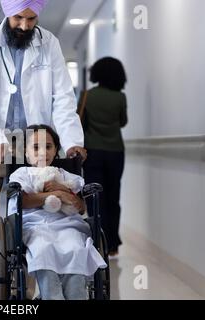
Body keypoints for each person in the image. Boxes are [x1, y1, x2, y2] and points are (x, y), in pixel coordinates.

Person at [0, 0, 87, 299]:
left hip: (35, 146)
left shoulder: (49, 44)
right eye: (19, 17)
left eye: (31, 19)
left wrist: (71, 141)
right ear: (7, 12)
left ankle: (24, 292)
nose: (24, 25)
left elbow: (63, 98)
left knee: (31, 217)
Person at [9, 125, 107, 300]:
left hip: (67, 225)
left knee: (76, 249)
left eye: (48, 147)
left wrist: (64, 191)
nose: (42, 153)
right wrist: (55, 194)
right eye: (36, 147)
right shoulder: (21, 174)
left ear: (55, 151)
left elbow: (80, 207)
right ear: (26, 152)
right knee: (43, 249)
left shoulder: (65, 175)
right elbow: (23, 201)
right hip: (35, 226)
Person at [81, 57, 128, 258]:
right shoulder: (120, 97)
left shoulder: (87, 96)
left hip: (92, 152)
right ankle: (113, 244)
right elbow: (123, 122)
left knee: (94, 196)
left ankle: (99, 239)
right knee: (113, 196)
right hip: (116, 151)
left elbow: (80, 122)